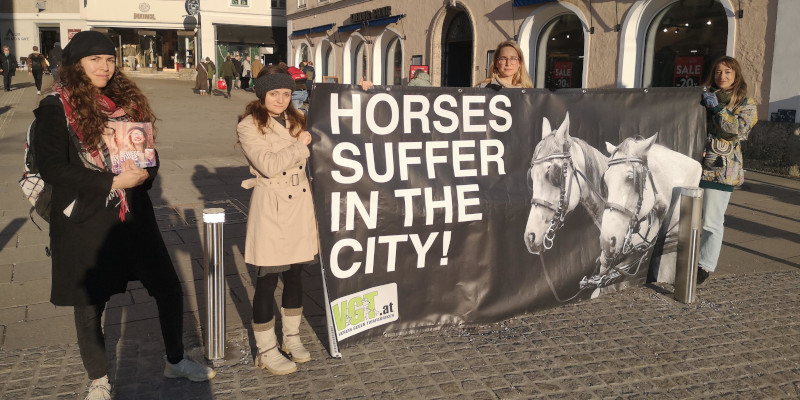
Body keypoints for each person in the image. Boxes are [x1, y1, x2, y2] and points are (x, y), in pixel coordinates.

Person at [32, 31, 215, 400]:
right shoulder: (55, 107)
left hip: (134, 216)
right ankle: (99, 380)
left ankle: (175, 359)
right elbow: (51, 167)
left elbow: (145, 154)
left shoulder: (122, 103)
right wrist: (113, 180)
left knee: (167, 288)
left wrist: (149, 163)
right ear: (76, 64)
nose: (104, 66)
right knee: (89, 305)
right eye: (94, 59)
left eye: (109, 59)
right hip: (86, 219)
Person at [236, 64, 318, 376]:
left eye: (286, 93)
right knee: (267, 280)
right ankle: (266, 348)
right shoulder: (248, 126)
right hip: (271, 207)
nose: (281, 99)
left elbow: (339, 124)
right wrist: (300, 147)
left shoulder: (297, 119)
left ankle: (292, 338)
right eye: (274, 93)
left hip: (299, 207)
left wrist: (361, 94)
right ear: (261, 94)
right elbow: (269, 165)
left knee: (296, 275)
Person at [696, 56, 758, 284]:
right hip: (694, 166)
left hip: (721, 171)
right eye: (718, 72)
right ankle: (684, 257)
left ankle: (704, 265)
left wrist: (717, 109)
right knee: (687, 218)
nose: (722, 77)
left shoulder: (746, 103)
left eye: (728, 72)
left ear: (736, 75)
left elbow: (735, 131)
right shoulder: (702, 97)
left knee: (711, 221)